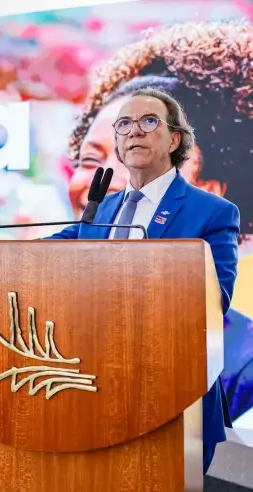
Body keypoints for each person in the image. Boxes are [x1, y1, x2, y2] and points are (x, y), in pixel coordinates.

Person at [48, 88, 238, 473]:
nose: (134, 131)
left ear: (174, 139)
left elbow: (214, 302)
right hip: (92, 393)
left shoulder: (213, 212)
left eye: (148, 121)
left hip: (172, 397)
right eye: (124, 124)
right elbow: (39, 256)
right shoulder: (100, 211)